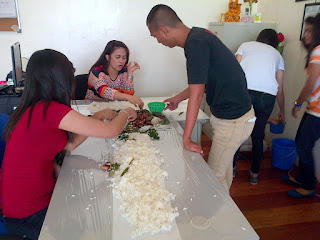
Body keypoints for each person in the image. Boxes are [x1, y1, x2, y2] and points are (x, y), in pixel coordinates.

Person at [0, 49, 137, 239]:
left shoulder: (33, 107)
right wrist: (125, 112)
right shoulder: (50, 110)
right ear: (59, 80)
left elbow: (69, 144)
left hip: (20, 208)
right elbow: (112, 130)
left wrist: (97, 116)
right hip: (28, 215)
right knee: (95, 227)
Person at [146, 4, 255, 192]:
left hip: (234, 121)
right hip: (232, 117)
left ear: (164, 30)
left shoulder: (195, 44)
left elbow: (196, 94)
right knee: (223, 170)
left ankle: (219, 219)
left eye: (156, 37)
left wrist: (186, 138)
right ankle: (226, 213)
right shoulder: (199, 35)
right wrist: (178, 98)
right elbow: (200, 84)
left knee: (213, 177)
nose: (158, 41)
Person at [234, 29, 285, 184]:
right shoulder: (278, 55)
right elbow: (280, 89)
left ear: (258, 37)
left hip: (244, 90)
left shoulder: (246, 46)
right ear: (276, 43)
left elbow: (235, 70)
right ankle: (255, 174)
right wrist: (282, 110)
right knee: (258, 134)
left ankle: (232, 168)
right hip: (267, 95)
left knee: (238, 130)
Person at [283, 14, 320, 198]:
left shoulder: (318, 51)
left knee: (304, 146)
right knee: (301, 142)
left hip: (318, 112)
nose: (305, 35)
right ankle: (303, 177)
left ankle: (308, 186)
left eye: (310, 31)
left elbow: (311, 84)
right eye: (305, 30)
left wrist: (297, 103)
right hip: (314, 109)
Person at [86, 40, 144, 108]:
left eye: (124, 58)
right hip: (93, 106)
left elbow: (129, 94)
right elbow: (104, 91)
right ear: (108, 57)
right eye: (117, 57)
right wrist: (128, 97)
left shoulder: (124, 70)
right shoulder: (97, 71)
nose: (121, 61)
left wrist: (129, 75)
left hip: (114, 106)